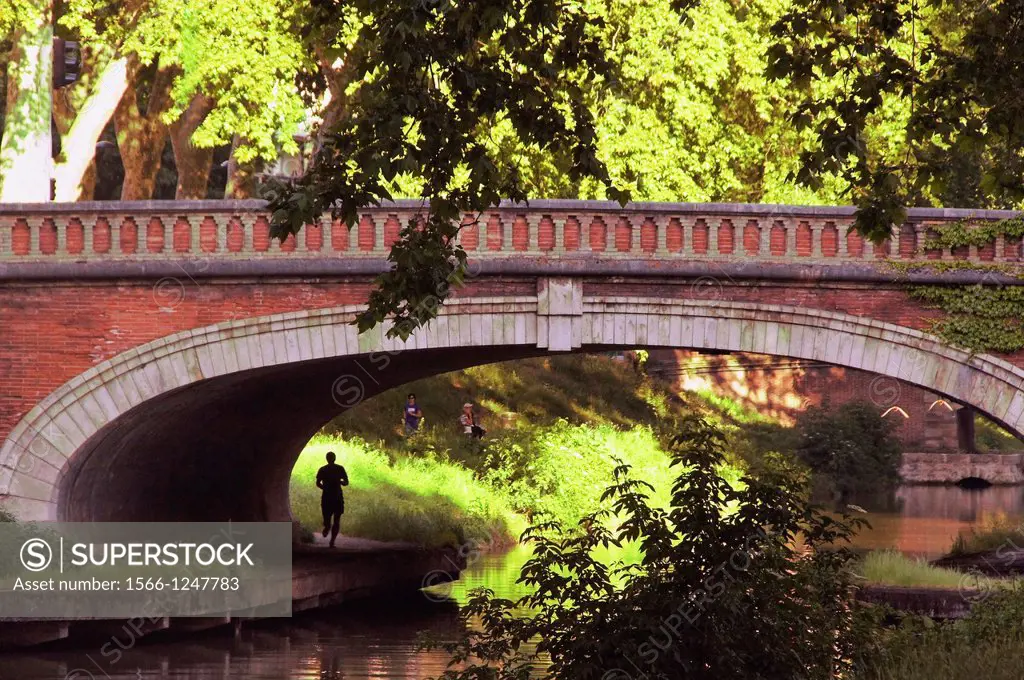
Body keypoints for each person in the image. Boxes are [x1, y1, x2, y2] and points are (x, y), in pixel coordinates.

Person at [315, 451, 349, 548]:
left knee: (327, 518)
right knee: (336, 520)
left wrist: (325, 488)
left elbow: (318, 483)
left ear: (327, 459)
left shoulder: (323, 469)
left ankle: (327, 528)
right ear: (335, 458)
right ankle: (332, 541)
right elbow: (346, 482)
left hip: (326, 497)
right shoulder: (340, 468)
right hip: (337, 496)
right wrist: (341, 483)